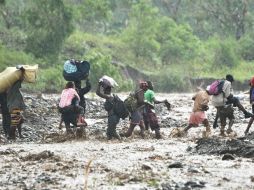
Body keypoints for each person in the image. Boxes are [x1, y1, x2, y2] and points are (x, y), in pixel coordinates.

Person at [96, 76, 121, 140]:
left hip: (113, 117)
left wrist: (99, 84)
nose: (103, 90)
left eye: (104, 89)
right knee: (109, 133)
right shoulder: (112, 96)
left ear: (107, 90)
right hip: (114, 117)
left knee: (113, 132)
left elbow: (98, 93)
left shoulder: (109, 96)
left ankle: (121, 140)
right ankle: (110, 143)